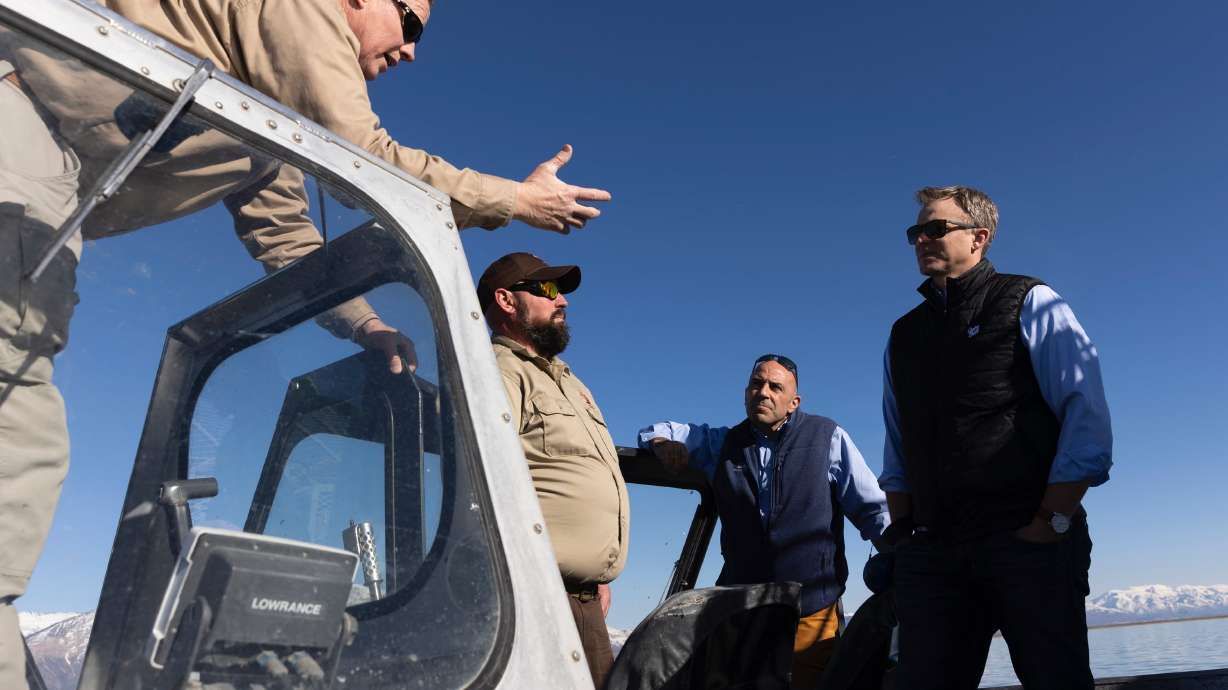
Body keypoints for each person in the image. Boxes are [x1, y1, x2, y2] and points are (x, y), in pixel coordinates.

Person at [0, 2, 612, 685]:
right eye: (410, 25)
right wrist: (514, 201)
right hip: (21, 133)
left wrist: (367, 325)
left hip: (53, 189)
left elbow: (287, 237)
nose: (411, 53)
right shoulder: (303, 8)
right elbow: (365, 157)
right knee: (18, 419)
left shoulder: (261, 112)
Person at [880, 185, 1112, 689]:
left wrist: (1051, 521)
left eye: (936, 228)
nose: (922, 238)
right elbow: (898, 443)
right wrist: (902, 535)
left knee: (1057, 681)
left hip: (1026, 541)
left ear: (979, 237)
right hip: (937, 550)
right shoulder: (904, 335)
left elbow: (1085, 417)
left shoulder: (1030, 300)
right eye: (916, 231)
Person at [638, 354, 890, 689]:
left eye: (775, 386)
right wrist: (661, 442)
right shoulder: (723, 444)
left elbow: (873, 508)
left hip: (811, 612)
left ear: (793, 402)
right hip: (742, 611)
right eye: (756, 384)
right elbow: (656, 429)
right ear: (746, 392)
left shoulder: (827, 438)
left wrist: (902, 559)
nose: (764, 392)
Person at [477, 252, 629, 688]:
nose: (561, 300)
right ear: (506, 301)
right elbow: (482, 478)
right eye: (547, 290)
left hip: (583, 600)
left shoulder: (571, 382)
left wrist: (594, 573)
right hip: (532, 596)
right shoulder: (497, 369)